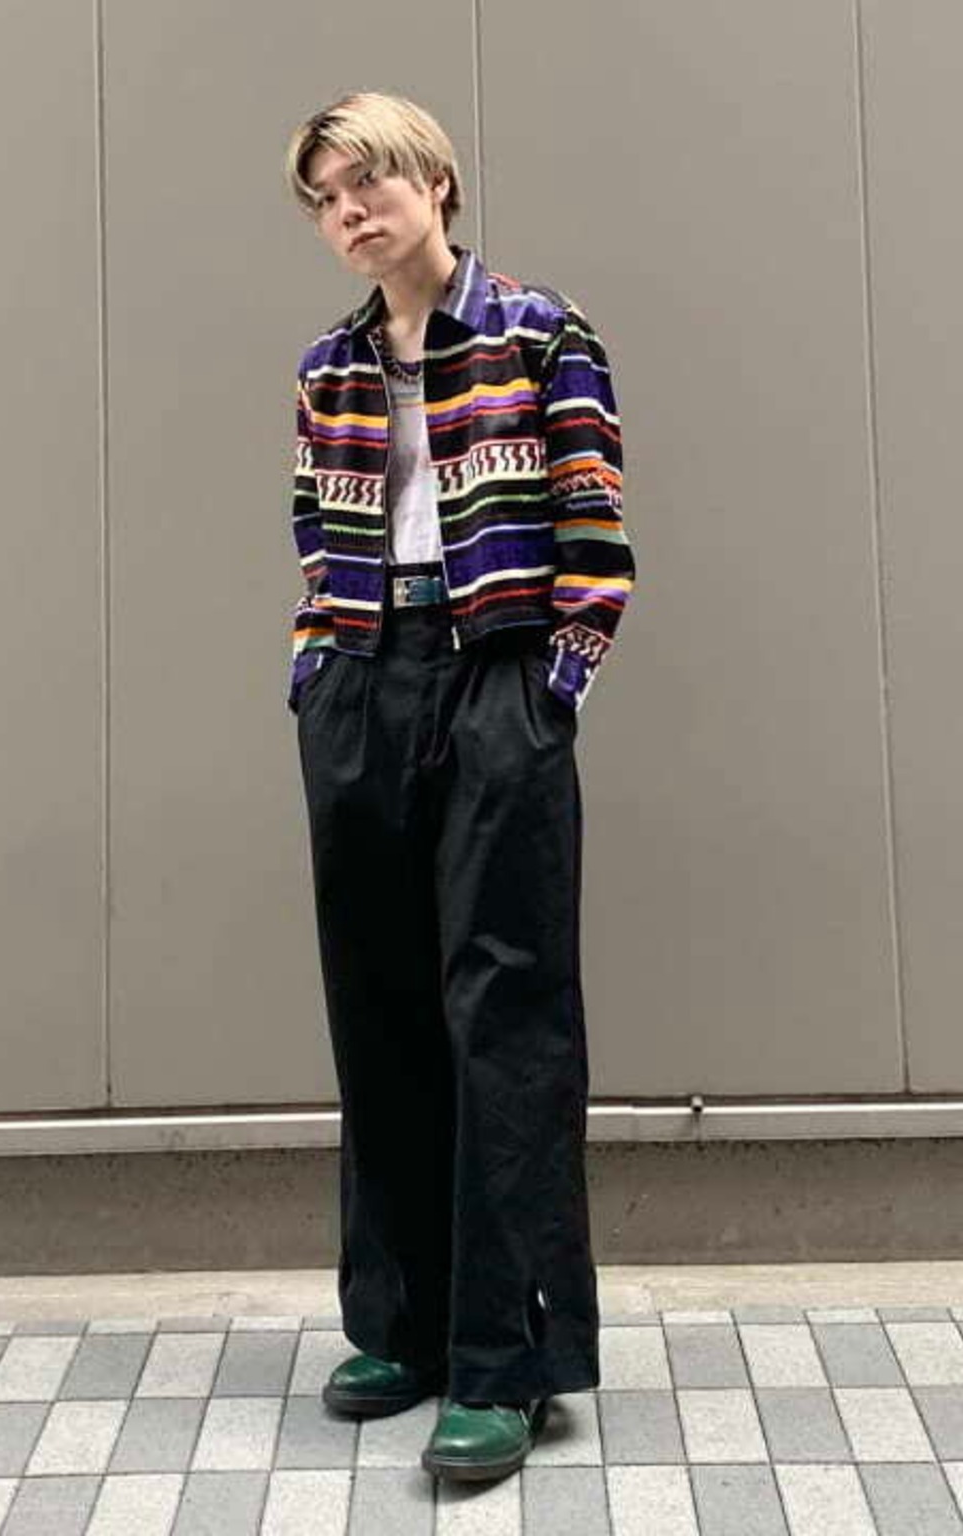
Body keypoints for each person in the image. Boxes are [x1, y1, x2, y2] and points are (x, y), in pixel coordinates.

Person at [281, 91, 635, 1482]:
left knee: (506, 1010)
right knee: (376, 1005)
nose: (349, 213)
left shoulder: (543, 334)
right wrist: (318, 673)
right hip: (365, 677)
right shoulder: (330, 368)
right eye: (325, 198)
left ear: (434, 180)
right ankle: (403, 1325)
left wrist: (552, 689)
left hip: (497, 672)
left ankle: (506, 1358)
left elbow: (595, 528)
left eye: (367, 182)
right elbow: (315, 535)